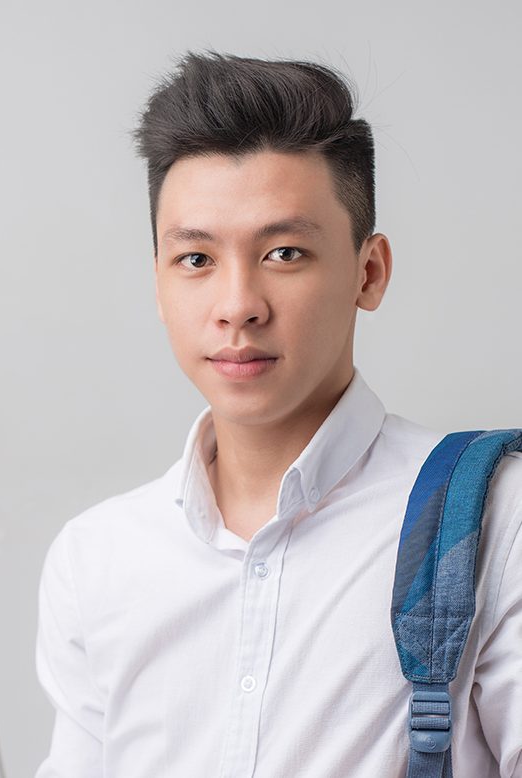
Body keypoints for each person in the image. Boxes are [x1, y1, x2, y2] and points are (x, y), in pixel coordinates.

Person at [34, 50, 522, 777]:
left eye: (285, 252)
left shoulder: (492, 519)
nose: (237, 307)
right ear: (159, 282)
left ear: (370, 271)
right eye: (195, 260)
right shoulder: (95, 560)